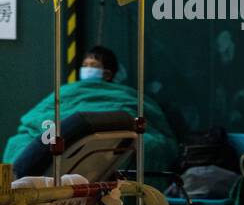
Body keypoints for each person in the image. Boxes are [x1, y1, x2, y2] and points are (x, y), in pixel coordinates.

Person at [2, 45, 180, 172]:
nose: (87, 69)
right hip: (61, 130)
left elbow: (147, 121)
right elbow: (38, 116)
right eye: (85, 65)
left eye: (93, 66)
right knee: (17, 142)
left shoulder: (125, 95)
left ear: (108, 73)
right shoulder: (69, 91)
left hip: (99, 134)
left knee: (148, 144)